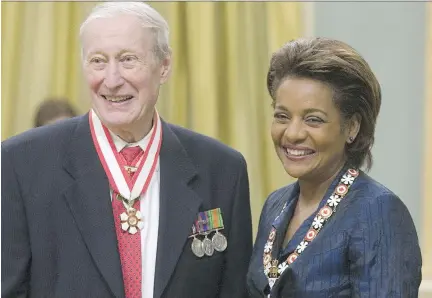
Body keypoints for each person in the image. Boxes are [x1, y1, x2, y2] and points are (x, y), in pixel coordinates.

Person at [1, 2, 252, 298]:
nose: (112, 79)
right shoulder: (21, 164)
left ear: (164, 66)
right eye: (97, 61)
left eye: (128, 60)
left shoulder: (222, 170)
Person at [247, 37, 422, 297]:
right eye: (282, 116)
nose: (292, 133)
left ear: (352, 127)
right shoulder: (276, 204)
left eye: (313, 119)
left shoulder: (377, 212)